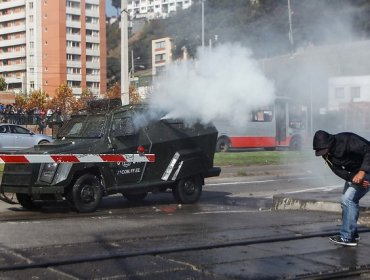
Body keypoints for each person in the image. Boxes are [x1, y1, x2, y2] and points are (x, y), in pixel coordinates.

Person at [313, 130, 370, 247]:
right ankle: (352, 233)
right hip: (355, 173)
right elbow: (337, 170)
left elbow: (369, 151)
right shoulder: (326, 154)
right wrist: (354, 177)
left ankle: (347, 237)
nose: (324, 154)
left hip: (367, 168)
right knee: (346, 201)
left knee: (348, 200)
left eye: (324, 150)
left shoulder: (347, 139)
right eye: (321, 151)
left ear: (330, 142)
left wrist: (362, 173)